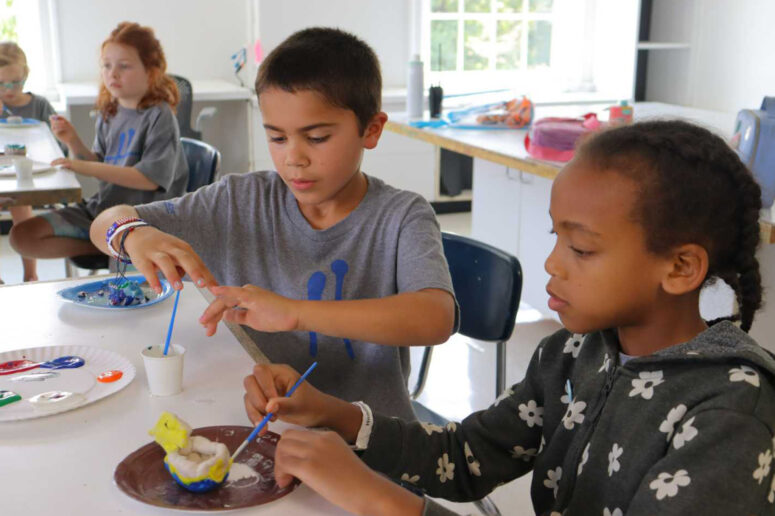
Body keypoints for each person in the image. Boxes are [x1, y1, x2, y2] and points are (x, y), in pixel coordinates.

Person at [242, 120, 775, 515]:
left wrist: (380, 501)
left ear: (680, 267)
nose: (551, 263)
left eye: (582, 249)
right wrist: (334, 413)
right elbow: (466, 456)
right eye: (555, 238)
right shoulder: (570, 353)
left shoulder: (730, 412)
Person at [89, 27, 456, 421]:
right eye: (277, 138)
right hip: (261, 428)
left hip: (366, 440)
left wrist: (295, 313)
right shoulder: (239, 201)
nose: (293, 158)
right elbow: (105, 222)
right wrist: (131, 233)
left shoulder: (402, 216)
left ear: (371, 129)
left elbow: (434, 317)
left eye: (316, 138)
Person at [9, 22, 188, 263]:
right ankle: (111, 246)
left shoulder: (159, 115)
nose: (112, 73)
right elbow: (102, 166)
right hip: (104, 211)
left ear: (151, 70)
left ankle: (123, 247)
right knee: (22, 236)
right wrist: (74, 143)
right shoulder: (111, 112)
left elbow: (149, 179)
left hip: (142, 218)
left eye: (124, 66)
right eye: (106, 65)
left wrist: (83, 167)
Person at [0, 41, 59, 283]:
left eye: (16, 82)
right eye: (1, 84)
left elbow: (57, 146)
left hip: (30, 174)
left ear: (26, 75)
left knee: (20, 200)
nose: (9, 89)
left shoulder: (39, 105)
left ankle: (30, 274)